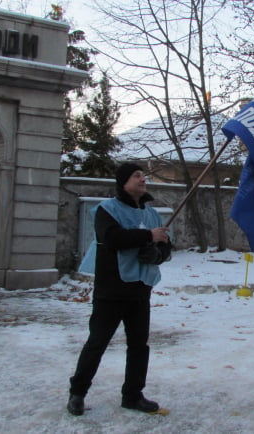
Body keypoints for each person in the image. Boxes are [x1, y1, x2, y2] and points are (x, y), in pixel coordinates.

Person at [67, 163, 171, 416]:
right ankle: (77, 393)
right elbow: (112, 238)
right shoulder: (106, 210)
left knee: (139, 345)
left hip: (140, 289)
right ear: (123, 182)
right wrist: (148, 237)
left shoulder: (153, 214)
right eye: (136, 176)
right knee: (97, 343)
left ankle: (133, 395)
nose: (142, 179)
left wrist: (155, 254)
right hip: (111, 291)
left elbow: (167, 246)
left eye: (143, 176)